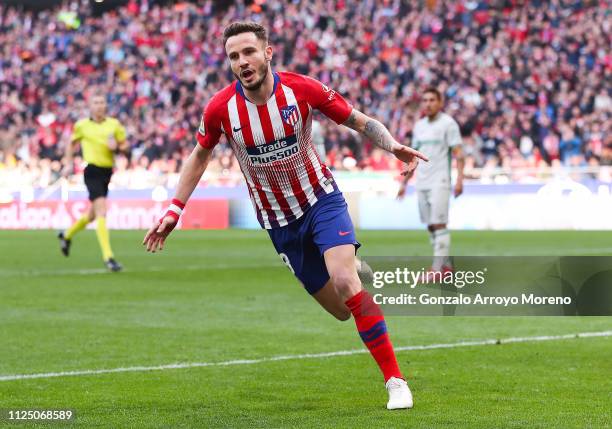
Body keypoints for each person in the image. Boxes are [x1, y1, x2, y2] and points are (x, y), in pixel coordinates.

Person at [142, 21, 427, 409]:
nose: (242, 62)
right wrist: (175, 209)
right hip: (278, 223)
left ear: (267, 52)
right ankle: (353, 263)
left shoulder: (301, 89)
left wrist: (393, 146)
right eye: (234, 56)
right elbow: (200, 154)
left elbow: (359, 121)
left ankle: (395, 381)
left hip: (321, 201)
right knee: (343, 311)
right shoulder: (221, 108)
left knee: (345, 281)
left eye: (249, 52)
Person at [58, 91, 128, 272]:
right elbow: (71, 145)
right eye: (95, 102)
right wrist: (67, 164)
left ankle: (66, 235)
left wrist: (118, 148)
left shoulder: (114, 125)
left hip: (107, 172)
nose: (99, 105)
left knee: (92, 214)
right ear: (90, 106)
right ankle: (109, 257)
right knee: (102, 211)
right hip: (91, 171)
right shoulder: (81, 126)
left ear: (106, 105)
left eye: (101, 102)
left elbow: (125, 146)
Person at [398, 87, 465, 273]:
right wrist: (404, 184)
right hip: (422, 182)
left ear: (440, 102)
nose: (428, 103)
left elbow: (459, 154)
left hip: (440, 181)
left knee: (439, 223)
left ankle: (437, 269)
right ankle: (446, 266)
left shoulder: (448, 124)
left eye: (432, 100)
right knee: (430, 224)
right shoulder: (419, 126)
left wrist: (460, 180)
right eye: (425, 100)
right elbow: (413, 158)